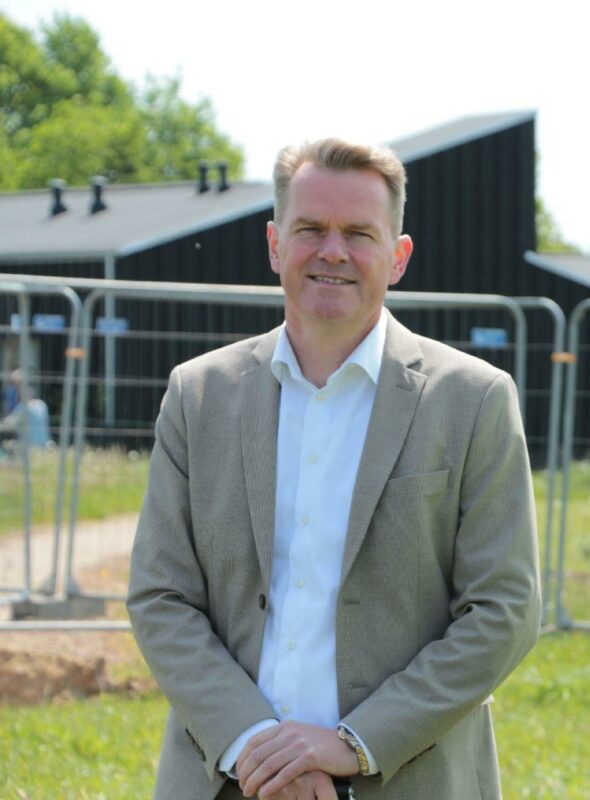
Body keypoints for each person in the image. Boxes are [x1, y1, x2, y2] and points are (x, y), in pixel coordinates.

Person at [127, 138, 541, 800]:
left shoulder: (475, 401)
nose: (333, 251)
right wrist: (253, 744)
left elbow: (505, 611)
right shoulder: (197, 395)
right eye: (311, 229)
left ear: (398, 256)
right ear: (273, 244)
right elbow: (160, 595)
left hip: (408, 777)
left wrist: (356, 744)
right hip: (227, 778)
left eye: (358, 233)